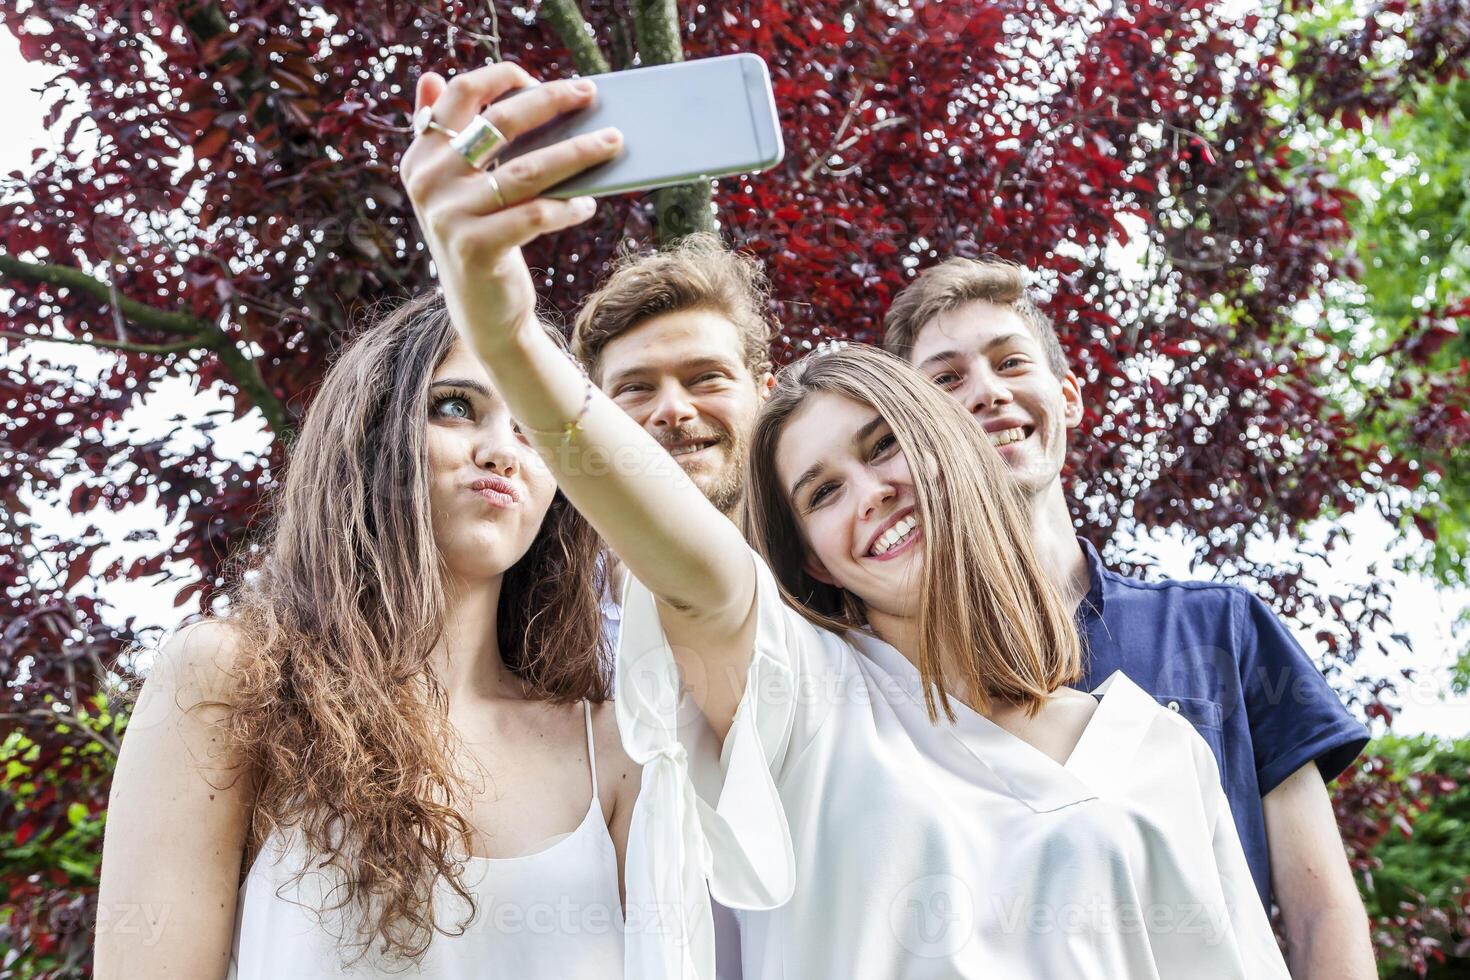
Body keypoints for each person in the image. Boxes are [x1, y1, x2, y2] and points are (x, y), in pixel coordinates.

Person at [399, 61, 1293, 979]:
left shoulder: (1161, 749)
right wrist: (503, 335)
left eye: (881, 448)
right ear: (814, 561)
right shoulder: (806, 704)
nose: (866, 495)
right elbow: (698, 572)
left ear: (954, 450)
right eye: (819, 494)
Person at [95, 284, 640, 978]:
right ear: (372, 432)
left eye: (532, 427)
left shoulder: (612, 751)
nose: (502, 450)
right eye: (455, 407)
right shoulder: (237, 681)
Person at [883, 256, 1376, 976]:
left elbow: (1322, 911)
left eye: (1010, 361)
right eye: (947, 379)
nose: (987, 392)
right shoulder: (894, 666)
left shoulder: (1222, 630)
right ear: (914, 436)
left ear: (1068, 396)